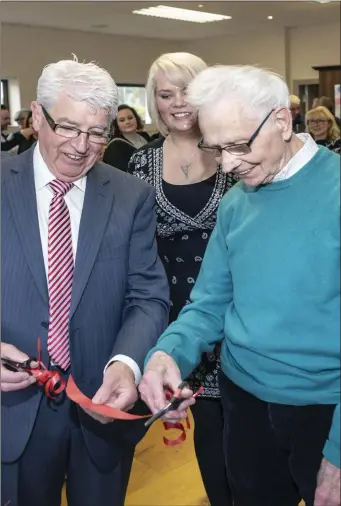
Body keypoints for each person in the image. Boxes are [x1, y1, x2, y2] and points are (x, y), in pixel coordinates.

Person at [139, 65, 340, 506]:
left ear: (283, 122)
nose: (228, 163)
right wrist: (166, 354)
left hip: (324, 410)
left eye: (238, 145)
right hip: (244, 401)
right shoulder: (235, 203)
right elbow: (209, 303)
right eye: (216, 148)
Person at [1, 58, 169, 506]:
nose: (81, 146)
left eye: (97, 133)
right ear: (37, 117)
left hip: (100, 407)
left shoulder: (131, 196)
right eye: (68, 128)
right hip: (11, 413)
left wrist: (127, 362)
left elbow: (148, 295)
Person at [128, 52, 234, 506]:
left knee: (249, 437)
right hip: (175, 321)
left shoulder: (234, 151)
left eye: (186, 90)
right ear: (153, 101)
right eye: (165, 94)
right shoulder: (139, 164)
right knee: (208, 437)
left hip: (235, 315)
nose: (177, 103)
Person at [103, 104, 150, 171]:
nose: (127, 122)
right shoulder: (115, 146)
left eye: (130, 118)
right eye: (122, 120)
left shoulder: (144, 135)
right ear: (116, 125)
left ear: (136, 119)